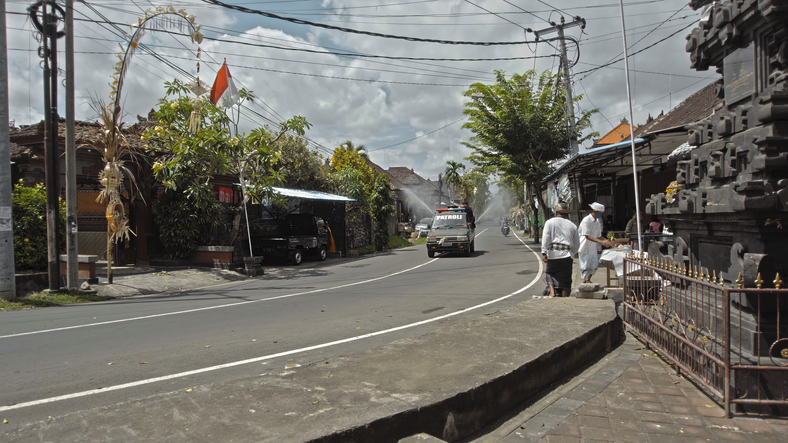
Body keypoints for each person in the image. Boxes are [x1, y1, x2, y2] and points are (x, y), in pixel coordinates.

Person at [541, 202, 580, 297]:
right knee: (566, 280)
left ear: (556, 212)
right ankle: (564, 299)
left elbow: (546, 238)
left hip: (553, 254)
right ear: (567, 214)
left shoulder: (550, 222)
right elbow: (577, 244)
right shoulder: (573, 225)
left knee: (550, 272)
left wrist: (544, 252)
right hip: (567, 256)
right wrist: (572, 253)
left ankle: (552, 292)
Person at [578, 202, 614, 284]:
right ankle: (584, 281)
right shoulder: (586, 220)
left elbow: (598, 235)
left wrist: (606, 241)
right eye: (600, 213)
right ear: (595, 211)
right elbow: (587, 236)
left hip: (592, 247)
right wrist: (601, 242)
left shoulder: (597, 221)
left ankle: (588, 279)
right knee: (585, 266)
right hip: (584, 246)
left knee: (594, 265)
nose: (600, 215)